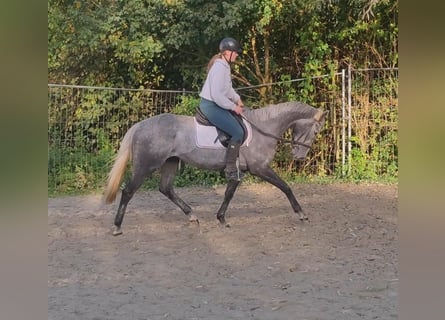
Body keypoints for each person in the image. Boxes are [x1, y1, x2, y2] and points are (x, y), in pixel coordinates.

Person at [198, 37, 245, 181]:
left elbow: (227, 89)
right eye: (235, 52)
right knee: (238, 131)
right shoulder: (219, 68)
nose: (237, 55)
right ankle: (230, 169)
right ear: (226, 53)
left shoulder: (224, 66)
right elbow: (218, 95)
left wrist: (237, 99)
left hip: (216, 104)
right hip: (211, 106)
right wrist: (233, 107)